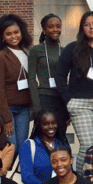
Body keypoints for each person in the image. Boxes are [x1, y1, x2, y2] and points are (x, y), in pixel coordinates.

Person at [57, 11, 93, 174]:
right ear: (82, 28)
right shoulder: (72, 48)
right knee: (88, 144)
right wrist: (68, 100)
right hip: (79, 104)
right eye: (87, 24)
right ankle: (81, 181)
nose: (91, 27)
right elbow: (60, 75)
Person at [0, 13, 33, 152]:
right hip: (7, 110)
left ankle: (18, 174)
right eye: (8, 34)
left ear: (22, 32)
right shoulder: (0, 57)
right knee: (10, 148)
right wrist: (7, 118)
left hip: (23, 110)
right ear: (2, 37)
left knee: (22, 147)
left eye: (16, 32)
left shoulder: (27, 53)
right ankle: (6, 174)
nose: (13, 36)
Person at [18, 111, 67, 184]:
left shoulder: (63, 145)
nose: (51, 126)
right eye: (45, 124)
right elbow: (27, 177)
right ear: (38, 125)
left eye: (54, 123)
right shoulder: (28, 145)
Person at [29, 13, 68, 143]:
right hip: (44, 98)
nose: (55, 29)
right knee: (43, 138)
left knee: (60, 136)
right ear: (44, 30)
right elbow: (31, 79)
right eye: (51, 27)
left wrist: (69, 106)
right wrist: (37, 107)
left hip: (61, 100)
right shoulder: (36, 50)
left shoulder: (65, 51)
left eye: (58, 26)